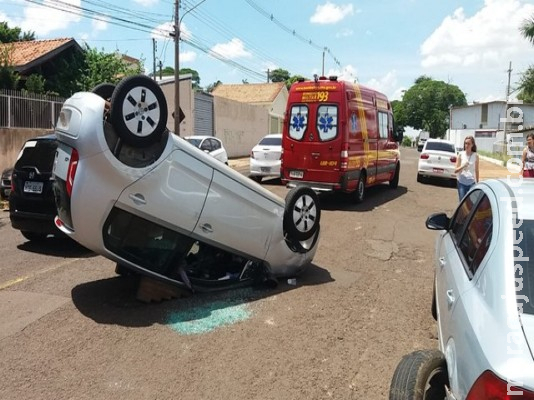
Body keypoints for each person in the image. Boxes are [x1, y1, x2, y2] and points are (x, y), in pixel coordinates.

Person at [455, 136, 479, 201]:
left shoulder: (475, 156)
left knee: (471, 202)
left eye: (468, 144)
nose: (466, 145)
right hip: (461, 183)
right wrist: (463, 166)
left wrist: (477, 183)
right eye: (465, 143)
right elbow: (455, 170)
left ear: (472, 145)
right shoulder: (460, 154)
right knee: (462, 203)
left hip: (471, 183)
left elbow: (477, 170)